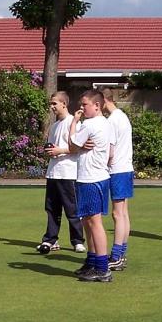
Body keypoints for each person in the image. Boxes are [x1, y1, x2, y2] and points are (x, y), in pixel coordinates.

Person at [69, 90, 112, 282]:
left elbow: (71, 145)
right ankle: (92, 261)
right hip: (95, 177)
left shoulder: (90, 123)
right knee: (87, 221)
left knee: (94, 223)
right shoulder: (105, 124)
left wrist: (73, 123)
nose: (82, 108)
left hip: (91, 179)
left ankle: (103, 268)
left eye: (85, 105)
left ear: (97, 105)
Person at [37, 91, 86, 254]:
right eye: (51, 104)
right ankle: (51, 240)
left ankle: (77, 241)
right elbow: (53, 146)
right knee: (52, 209)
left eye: (54, 104)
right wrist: (50, 150)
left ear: (64, 103)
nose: (52, 107)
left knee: (72, 209)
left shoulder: (74, 122)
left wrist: (60, 151)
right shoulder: (55, 125)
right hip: (53, 173)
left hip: (68, 173)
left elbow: (78, 147)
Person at [101, 88, 134, 270]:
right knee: (123, 213)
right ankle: (120, 254)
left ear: (104, 101)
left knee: (117, 214)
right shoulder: (122, 116)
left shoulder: (112, 121)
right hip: (125, 168)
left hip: (117, 170)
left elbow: (110, 152)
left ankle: (116, 256)